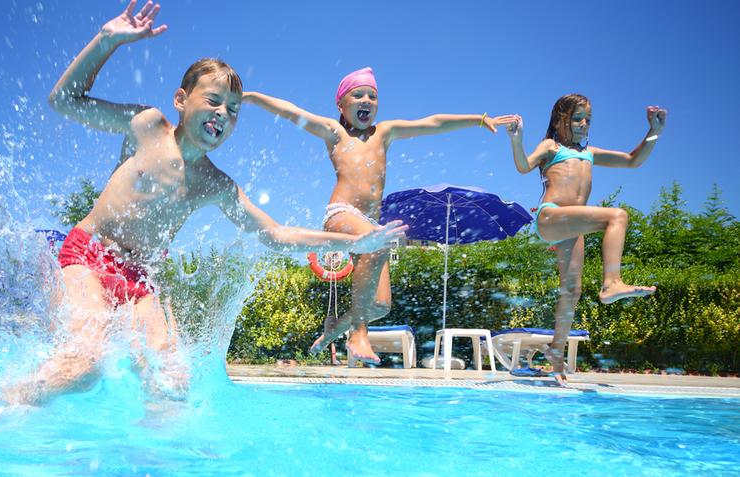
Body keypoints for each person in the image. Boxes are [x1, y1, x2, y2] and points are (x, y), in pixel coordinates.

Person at [4, 2, 406, 404]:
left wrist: (354, 243)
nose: (222, 114)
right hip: (89, 256)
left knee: (171, 383)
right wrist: (107, 41)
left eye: (232, 110)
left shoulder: (216, 184)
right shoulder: (147, 126)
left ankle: (154, 462)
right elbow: (64, 100)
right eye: (213, 101)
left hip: (141, 280)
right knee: (83, 366)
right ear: (181, 99)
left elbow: (277, 235)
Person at [243, 67, 517, 364]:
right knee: (375, 244)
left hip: (370, 224)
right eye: (358, 94)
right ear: (341, 105)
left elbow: (432, 123)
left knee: (380, 305)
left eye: (372, 96)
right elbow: (291, 111)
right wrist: (253, 97)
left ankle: (337, 326)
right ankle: (357, 332)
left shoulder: (384, 133)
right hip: (342, 213)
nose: (366, 100)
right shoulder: (335, 133)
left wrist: (478, 120)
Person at [506, 93, 667, 385]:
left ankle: (556, 350)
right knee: (617, 216)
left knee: (572, 291)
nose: (583, 124)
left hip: (571, 228)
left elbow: (632, 161)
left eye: (588, 119)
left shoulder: (590, 152)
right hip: (552, 215)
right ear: (560, 120)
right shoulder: (550, 146)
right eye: (577, 117)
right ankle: (612, 283)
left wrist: (653, 133)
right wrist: (517, 139)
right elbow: (522, 165)